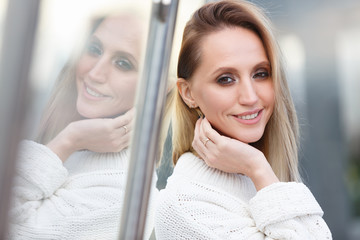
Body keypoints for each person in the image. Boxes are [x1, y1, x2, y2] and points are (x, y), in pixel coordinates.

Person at [155, 0, 332, 239]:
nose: (250, 97)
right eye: (226, 79)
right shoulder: (186, 206)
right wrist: (257, 167)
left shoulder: (254, 179)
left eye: (261, 74)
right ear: (188, 94)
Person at [8, 9, 157, 240]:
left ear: (156, 86)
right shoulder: (67, 136)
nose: (95, 72)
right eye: (95, 49)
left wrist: (69, 139)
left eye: (123, 63)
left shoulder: (120, 192)